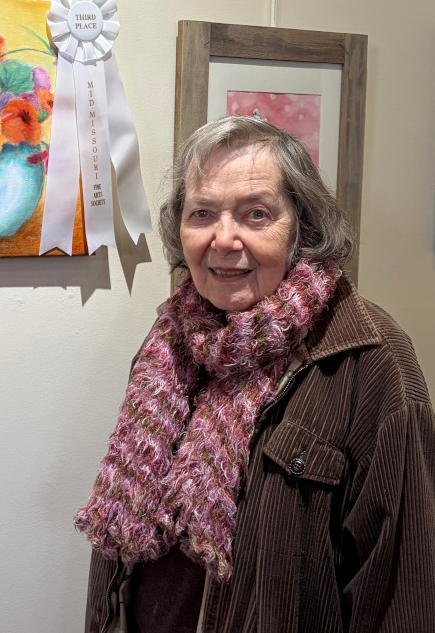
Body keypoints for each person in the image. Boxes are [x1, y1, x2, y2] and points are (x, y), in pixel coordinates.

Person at [76, 116, 435, 633]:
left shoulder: (371, 358)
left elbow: (401, 595)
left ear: (301, 227)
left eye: (256, 214)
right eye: (202, 213)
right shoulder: (169, 340)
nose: (224, 239)